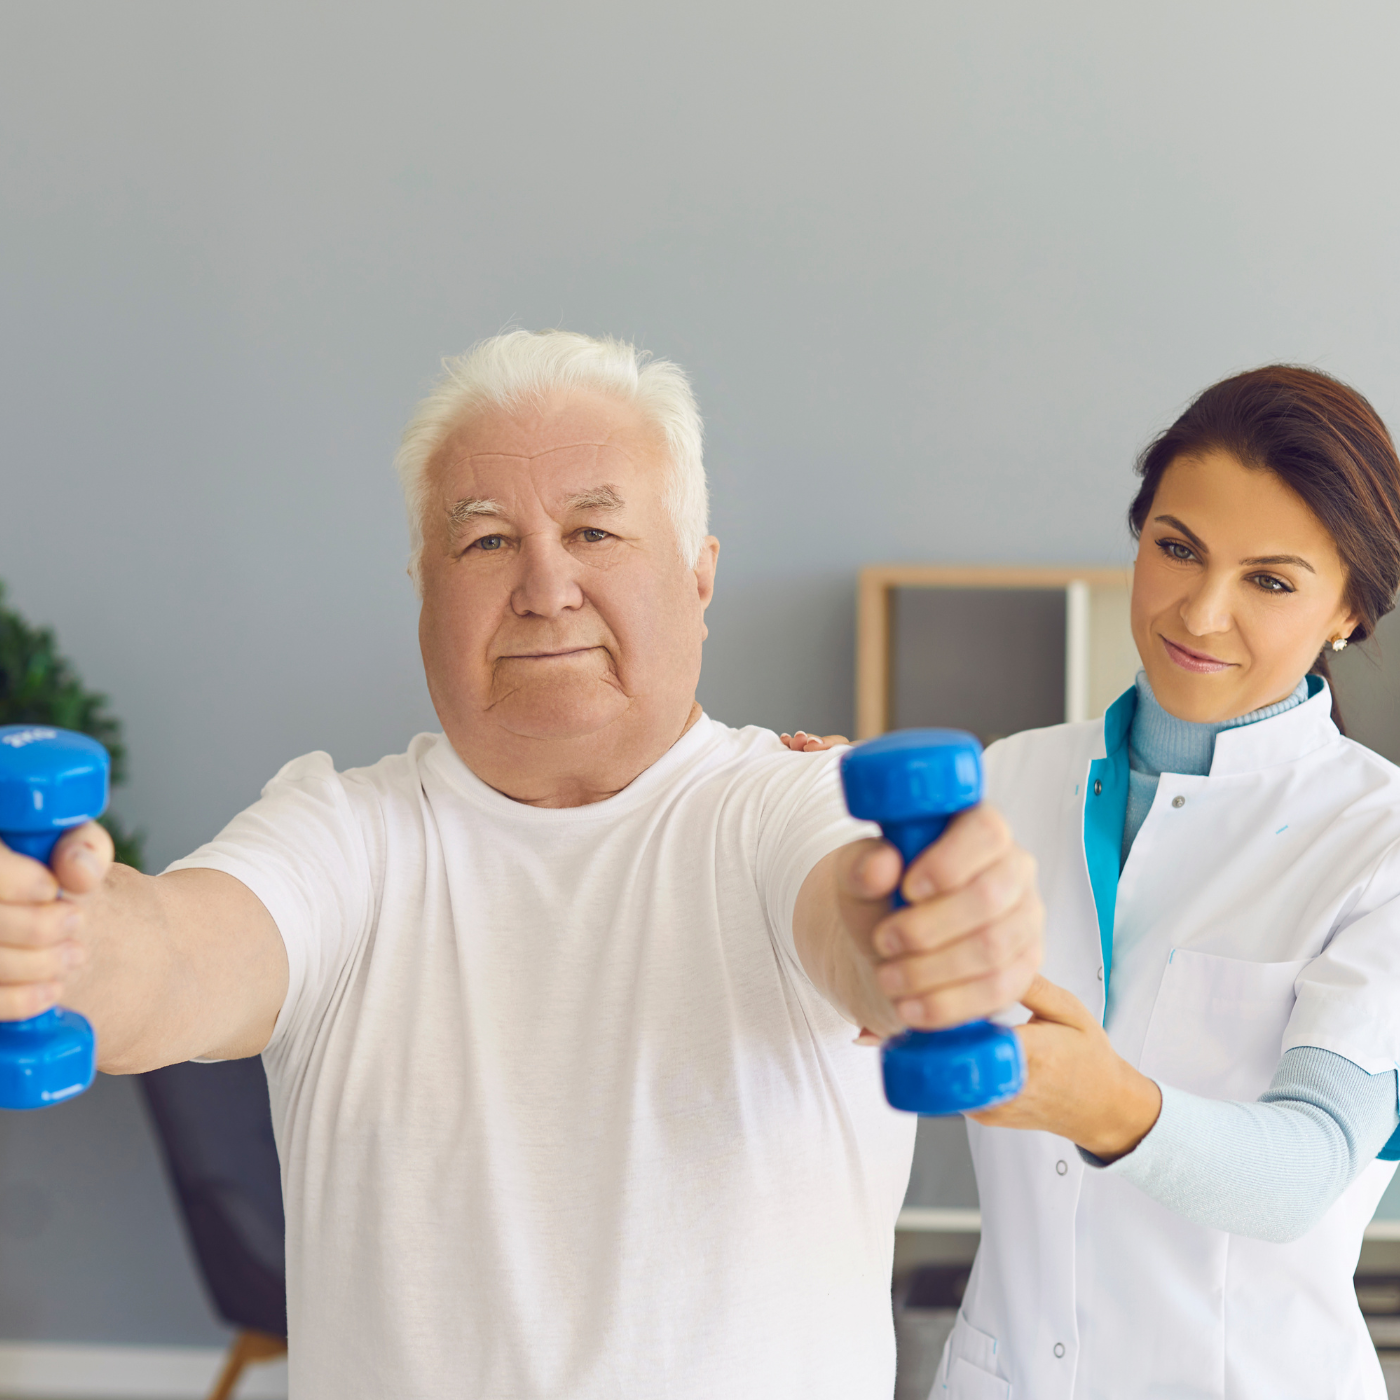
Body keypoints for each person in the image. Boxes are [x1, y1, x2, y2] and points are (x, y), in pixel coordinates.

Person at [0, 330, 1043, 1399]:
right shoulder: (345, 834)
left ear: (698, 573)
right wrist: (51, 938)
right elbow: (174, 954)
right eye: (486, 542)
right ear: (422, 585)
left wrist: (928, 938)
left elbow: (856, 920)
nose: (546, 586)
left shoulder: (787, 802)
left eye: (594, 529)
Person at [931, 366, 1400, 1399]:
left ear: (1349, 611)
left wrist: (1111, 1105)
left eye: (1269, 581)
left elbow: (1306, 1165)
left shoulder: (1378, 843)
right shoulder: (1005, 778)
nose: (1199, 609)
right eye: (1175, 548)